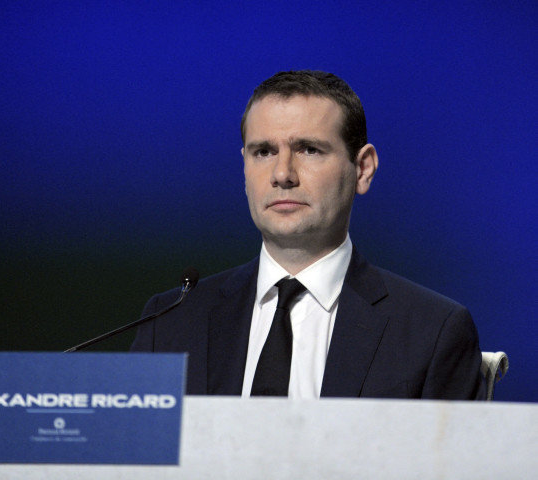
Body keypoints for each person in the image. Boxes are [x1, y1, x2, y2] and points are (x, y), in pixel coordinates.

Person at [130, 70, 486, 400]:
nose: (282, 173)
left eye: (309, 150)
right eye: (264, 152)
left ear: (362, 169)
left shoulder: (433, 330)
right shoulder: (170, 322)